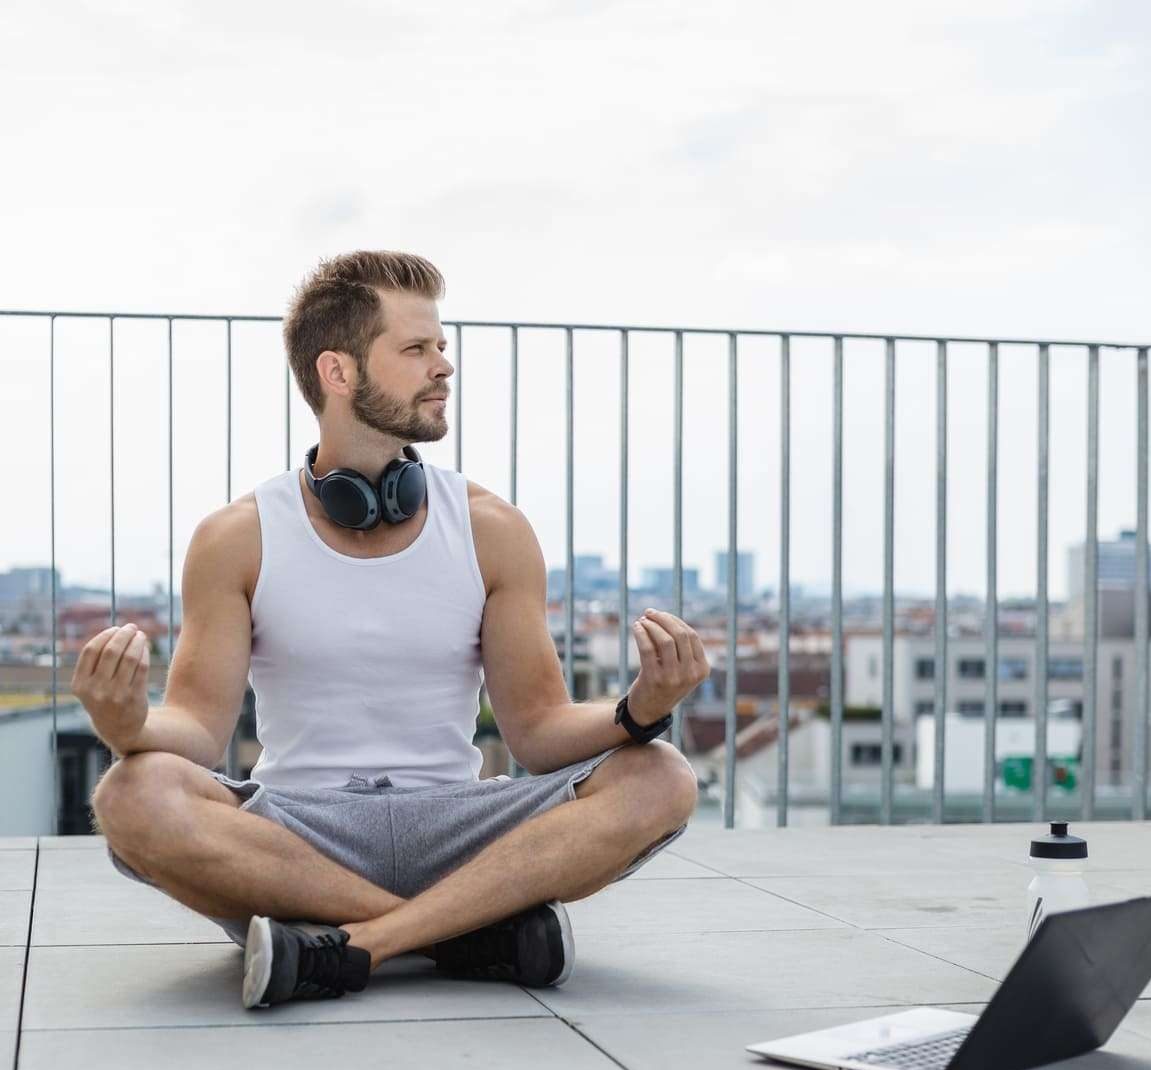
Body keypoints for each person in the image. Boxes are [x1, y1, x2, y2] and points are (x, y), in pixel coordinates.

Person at [74, 250, 708, 1010]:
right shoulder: (237, 537)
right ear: (337, 373)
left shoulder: (492, 528)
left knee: (660, 774)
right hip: (298, 835)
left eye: (440, 346)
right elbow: (201, 733)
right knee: (132, 794)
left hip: (459, 826)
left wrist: (641, 707)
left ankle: (346, 947)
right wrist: (129, 724)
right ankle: (458, 935)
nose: (444, 367)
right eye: (416, 349)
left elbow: (537, 733)